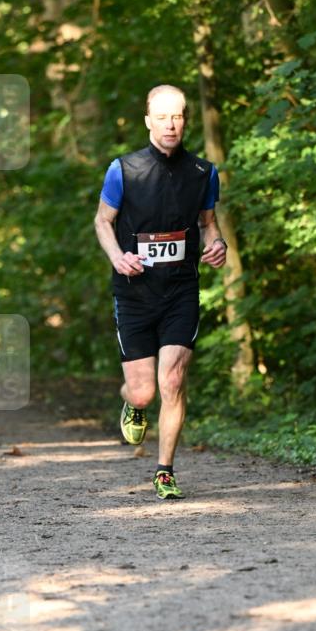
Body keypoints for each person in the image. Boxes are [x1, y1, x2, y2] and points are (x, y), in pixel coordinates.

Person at [94, 85, 227, 500]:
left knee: (172, 379)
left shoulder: (204, 173)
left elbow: (208, 223)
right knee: (145, 390)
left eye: (178, 117)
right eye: (163, 117)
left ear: (185, 121)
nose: (171, 125)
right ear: (149, 121)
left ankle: (164, 470)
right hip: (134, 290)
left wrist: (217, 244)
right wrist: (117, 256)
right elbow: (102, 221)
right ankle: (132, 403)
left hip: (181, 289)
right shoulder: (124, 169)